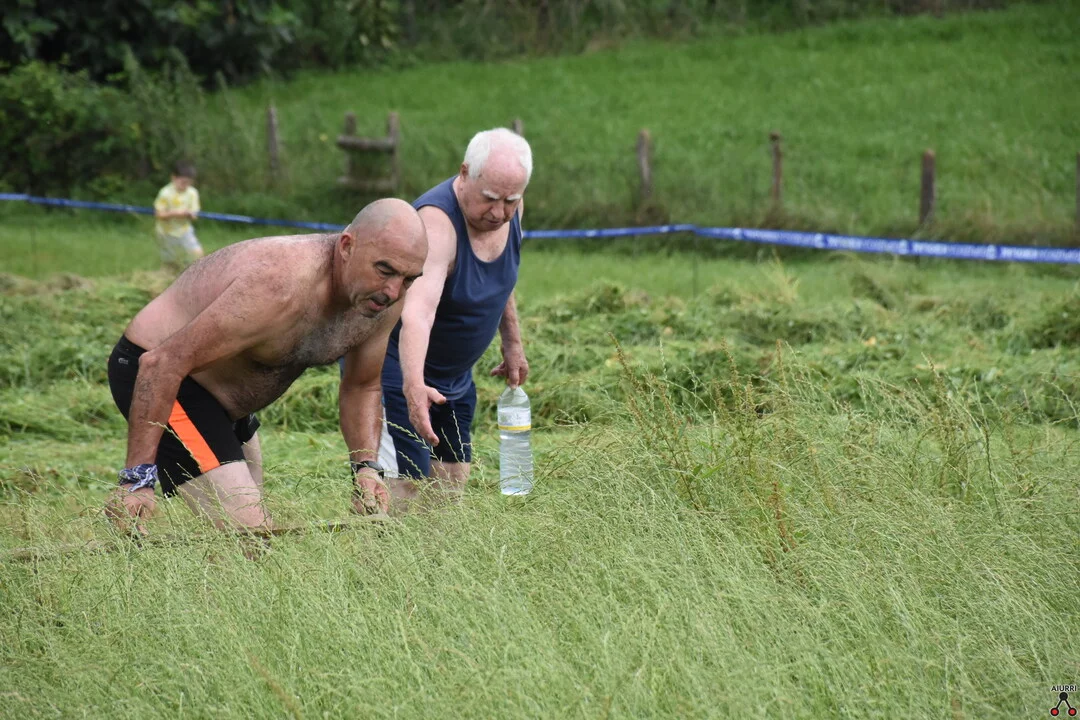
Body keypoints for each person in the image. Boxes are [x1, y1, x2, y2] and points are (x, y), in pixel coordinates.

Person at [105, 198, 427, 536]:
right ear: (347, 246)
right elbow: (161, 364)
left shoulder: (381, 299)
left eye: (408, 279)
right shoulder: (279, 284)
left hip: (226, 399)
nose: (393, 291)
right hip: (164, 376)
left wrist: (366, 467)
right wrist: (137, 479)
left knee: (252, 543)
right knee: (251, 534)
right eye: (384, 270)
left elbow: (362, 385)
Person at [378, 127, 532, 498]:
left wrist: (512, 343)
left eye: (510, 201)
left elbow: (502, 280)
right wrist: (412, 386)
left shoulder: (511, 211)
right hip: (397, 369)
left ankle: (432, 547)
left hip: (455, 377)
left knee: (450, 484)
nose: (499, 213)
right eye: (490, 199)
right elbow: (418, 312)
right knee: (403, 487)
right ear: (464, 174)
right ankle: (373, 538)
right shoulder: (436, 225)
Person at [153, 161, 205, 270]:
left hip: (184, 230)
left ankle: (193, 273)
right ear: (174, 178)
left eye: (188, 183)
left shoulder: (192, 193)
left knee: (197, 254)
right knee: (170, 262)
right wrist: (176, 213)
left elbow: (195, 214)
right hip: (166, 232)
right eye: (183, 182)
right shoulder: (165, 193)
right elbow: (159, 214)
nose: (185, 185)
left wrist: (190, 214)